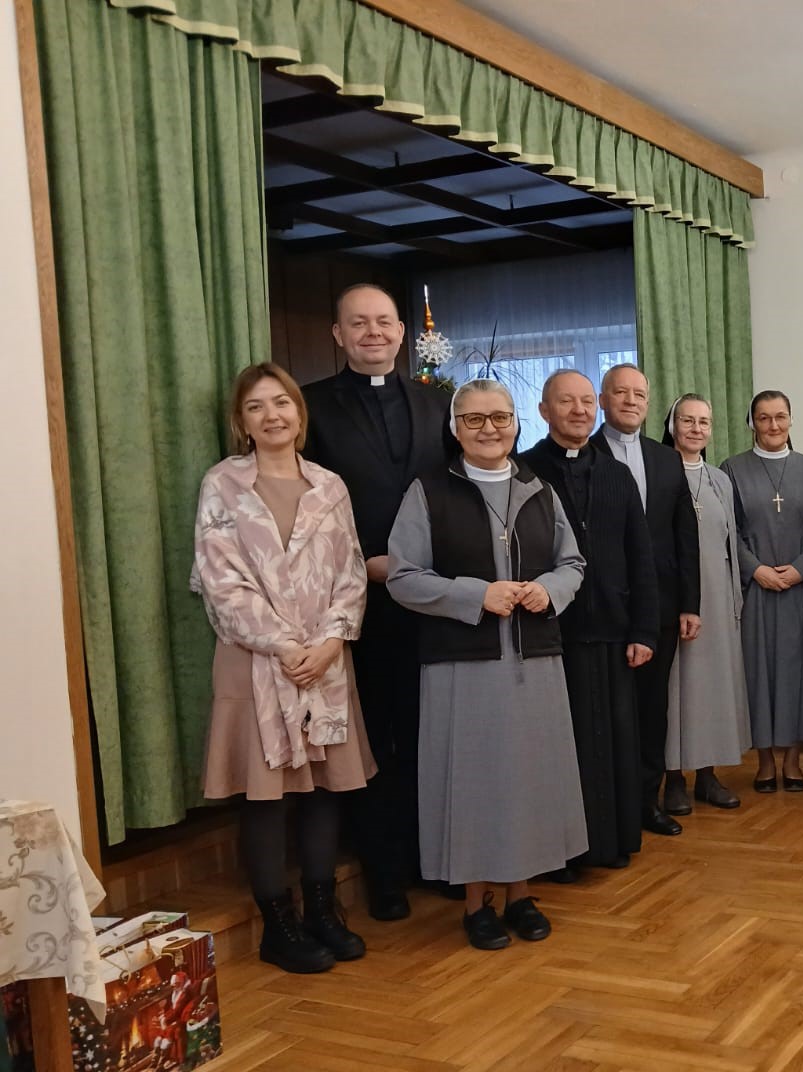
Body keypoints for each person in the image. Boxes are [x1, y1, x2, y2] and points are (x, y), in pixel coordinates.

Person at [386, 379, 588, 949]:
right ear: (454, 429)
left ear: (516, 423)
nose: (489, 429)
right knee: (473, 782)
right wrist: (476, 595)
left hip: (533, 658)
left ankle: (521, 895)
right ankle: (476, 903)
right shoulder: (427, 492)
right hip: (462, 663)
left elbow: (573, 561)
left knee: (527, 780)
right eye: (474, 420)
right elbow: (403, 577)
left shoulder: (540, 489)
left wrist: (549, 589)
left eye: (499, 417)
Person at [192, 363, 373, 974]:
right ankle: (279, 924)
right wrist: (282, 645)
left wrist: (329, 640)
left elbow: (350, 572)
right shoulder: (223, 485)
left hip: (325, 660)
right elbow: (221, 582)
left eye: (282, 403)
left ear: (299, 412)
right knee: (266, 794)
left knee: (325, 787)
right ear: (241, 423)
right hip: (254, 664)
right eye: (255, 407)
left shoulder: (330, 485)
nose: (272, 415)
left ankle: (324, 910)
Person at [301, 283, 451, 921]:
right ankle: (384, 873)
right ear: (338, 334)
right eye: (358, 323)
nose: (373, 333)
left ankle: (436, 861)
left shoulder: (438, 403)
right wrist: (362, 565)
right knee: (375, 740)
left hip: (432, 599)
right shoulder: (310, 408)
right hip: (354, 601)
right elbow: (305, 512)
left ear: (401, 333)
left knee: (434, 731)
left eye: (384, 322)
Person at [520, 370, 659, 875]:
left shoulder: (616, 473)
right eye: (566, 402)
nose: (579, 411)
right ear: (544, 411)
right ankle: (564, 851)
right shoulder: (524, 472)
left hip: (613, 628)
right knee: (564, 744)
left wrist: (644, 629)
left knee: (616, 739)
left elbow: (639, 555)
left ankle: (611, 842)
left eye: (585, 402)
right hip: (550, 633)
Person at [593, 364, 700, 838]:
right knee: (607, 712)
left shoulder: (666, 459)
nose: (631, 400)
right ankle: (607, 808)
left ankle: (646, 802)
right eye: (621, 392)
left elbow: (686, 536)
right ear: (603, 400)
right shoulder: (583, 454)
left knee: (652, 710)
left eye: (640, 393)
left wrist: (689, 603)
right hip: (601, 609)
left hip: (658, 606)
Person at [723, 391, 803, 791]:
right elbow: (728, 531)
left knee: (800, 673)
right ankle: (765, 761)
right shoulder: (731, 469)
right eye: (763, 418)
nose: (772, 426)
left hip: (800, 590)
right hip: (757, 591)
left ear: (791, 420)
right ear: (752, 422)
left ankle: (793, 759)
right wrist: (757, 570)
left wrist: (802, 570)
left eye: (780, 417)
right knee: (758, 672)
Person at [661, 394, 752, 810]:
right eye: (688, 420)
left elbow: (731, 545)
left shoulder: (720, 479)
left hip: (717, 598)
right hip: (678, 599)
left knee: (714, 688)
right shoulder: (659, 475)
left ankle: (709, 776)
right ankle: (673, 778)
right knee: (678, 689)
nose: (697, 429)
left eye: (704, 422)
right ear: (671, 424)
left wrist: (735, 600)